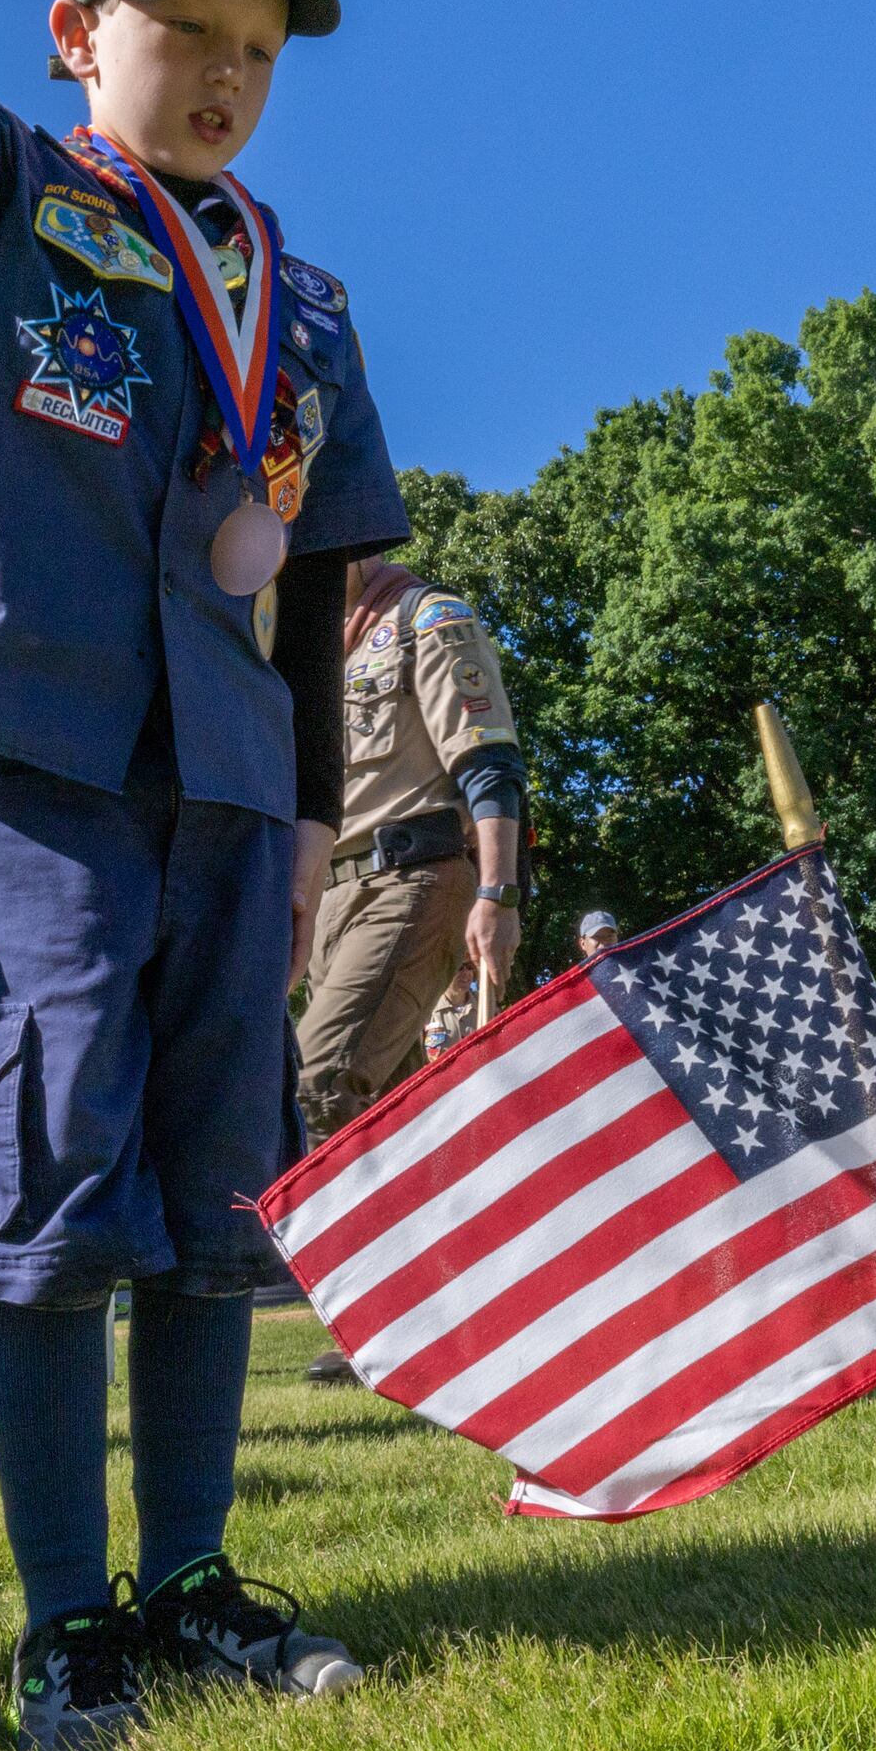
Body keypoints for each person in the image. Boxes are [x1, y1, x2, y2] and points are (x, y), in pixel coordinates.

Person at [0, 0, 409, 1751]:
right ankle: (69, 1616)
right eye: (185, 28)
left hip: (232, 791)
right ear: (83, 37)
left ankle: (196, 1576)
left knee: (221, 1184)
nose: (226, 75)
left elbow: (316, 597)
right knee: (57, 1167)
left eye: (256, 53)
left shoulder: (303, 305)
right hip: (36, 768)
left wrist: (314, 821)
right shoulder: (27, 203)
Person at [293, 560, 522, 1383]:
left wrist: (498, 890)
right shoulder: (307, 637)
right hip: (330, 897)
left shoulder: (428, 617)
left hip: (418, 873)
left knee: (316, 1078)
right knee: (379, 1118)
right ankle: (436, 1321)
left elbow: (489, 761)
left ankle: (383, 1320)